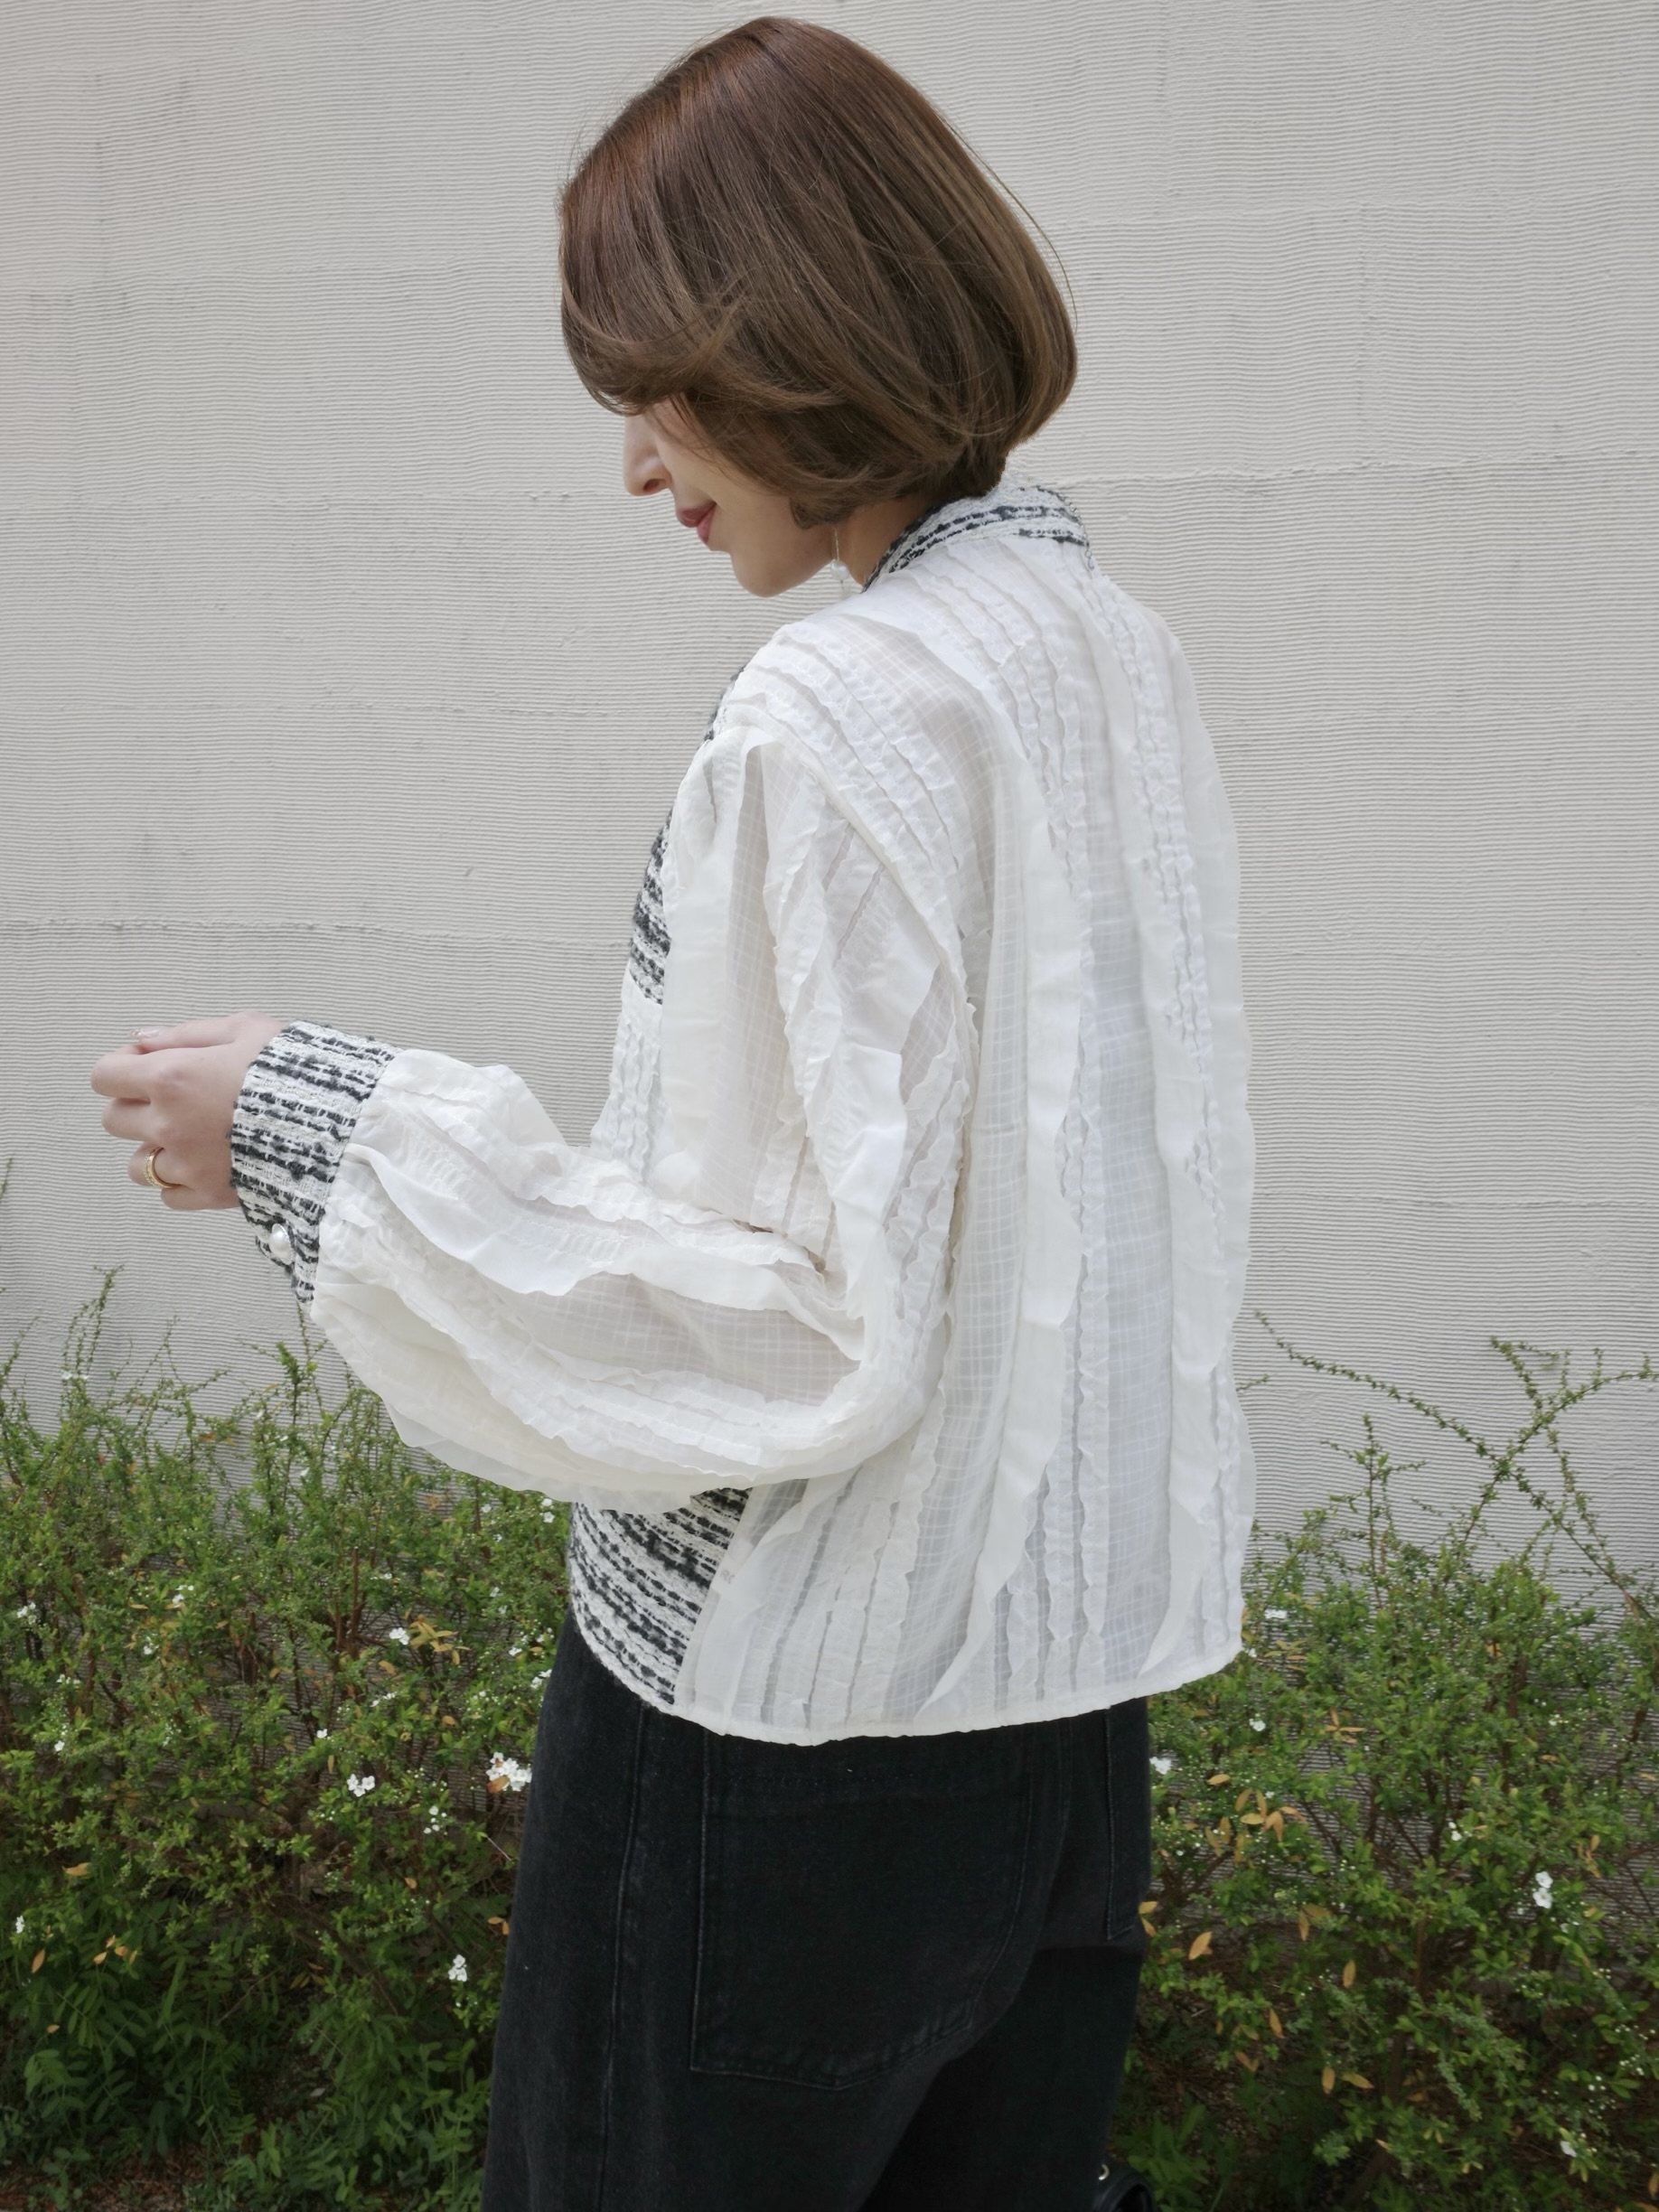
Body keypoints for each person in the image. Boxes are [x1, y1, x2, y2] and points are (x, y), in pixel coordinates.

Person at [88, 18, 1255, 2209]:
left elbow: (801, 1324)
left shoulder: (839, 712)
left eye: (658, 391)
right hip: (1057, 1717)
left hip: (779, 1745)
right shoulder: (1106, 653)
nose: (638, 465)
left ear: (794, 337)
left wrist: (310, 1131)